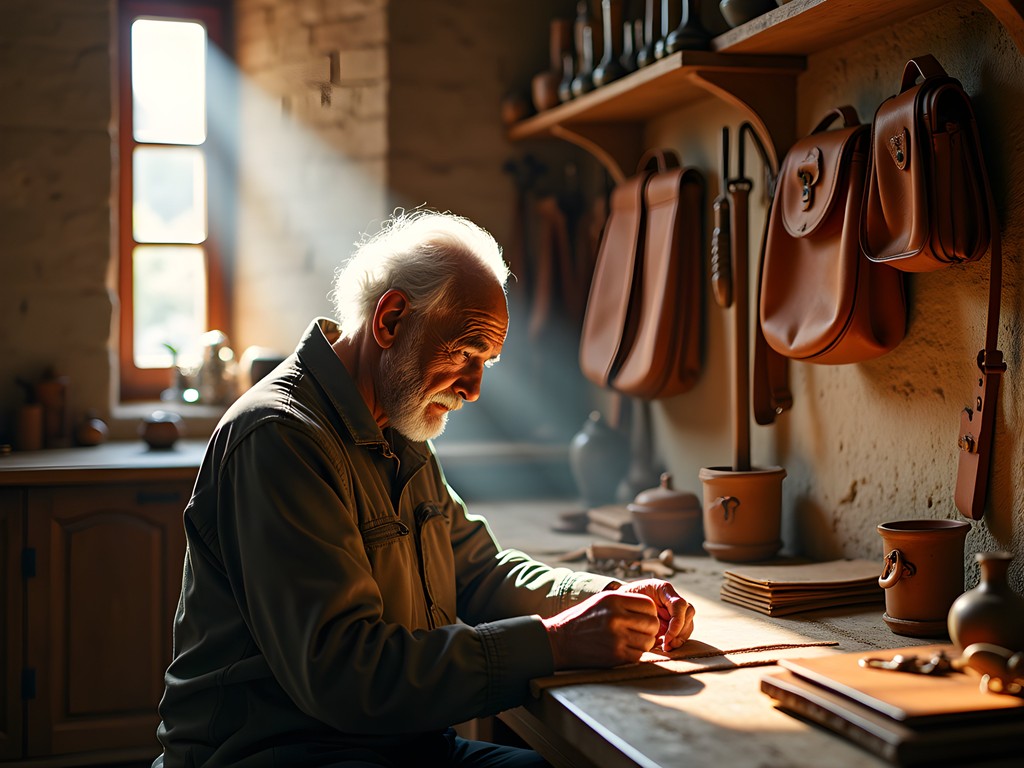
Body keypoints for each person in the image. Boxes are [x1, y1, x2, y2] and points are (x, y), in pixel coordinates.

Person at [152, 210, 696, 768]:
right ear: (390, 320)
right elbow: (345, 673)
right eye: (466, 352)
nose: (476, 387)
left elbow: (479, 571)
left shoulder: (398, 423)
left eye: (487, 362)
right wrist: (554, 643)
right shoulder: (280, 438)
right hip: (278, 753)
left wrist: (606, 598)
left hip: (404, 745)